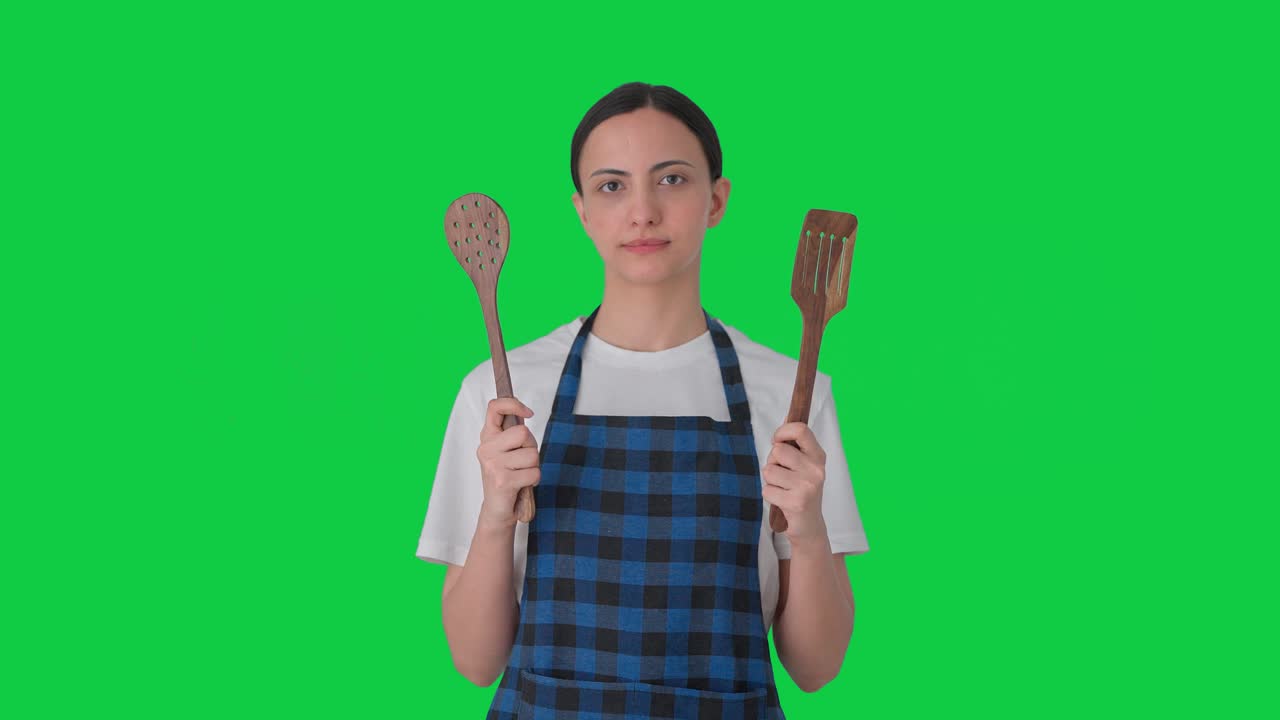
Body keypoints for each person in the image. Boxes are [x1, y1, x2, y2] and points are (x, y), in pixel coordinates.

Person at [416, 81, 870, 719]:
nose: (642, 212)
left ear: (716, 200)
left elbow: (816, 668)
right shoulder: (504, 393)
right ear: (581, 211)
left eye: (672, 179)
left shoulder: (791, 393)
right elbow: (474, 661)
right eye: (612, 186)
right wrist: (495, 513)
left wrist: (811, 529)